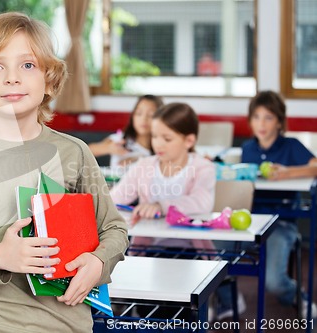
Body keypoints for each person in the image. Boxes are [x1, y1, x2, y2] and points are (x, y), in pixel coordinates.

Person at [0, 12, 128, 333]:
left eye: (28, 65)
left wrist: (99, 261)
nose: (12, 78)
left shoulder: (74, 152)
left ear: (49, 78)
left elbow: (114, 230)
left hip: (69, 325)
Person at [215, 90, 317, 320]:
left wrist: (287, 173)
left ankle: (297, 296)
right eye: (256, 117)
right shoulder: (248, 148)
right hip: (248, 220)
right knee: (210, 253)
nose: (261, 123)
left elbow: (315, 165)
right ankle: (231, 301)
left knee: (273, 281)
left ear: (280, 121)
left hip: (281, 223)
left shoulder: (291, 145)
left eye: (268, 117)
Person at [110, 102, 216, 251]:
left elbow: (202, 202)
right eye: (154, 136)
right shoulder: (143, 166)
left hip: (193, 253)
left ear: (189, 141)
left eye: (167, 139)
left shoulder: (203, 167)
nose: (158, 144)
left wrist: (161, 206)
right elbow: (114, 199)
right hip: (147, 252)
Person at [88, 94, 163, 169]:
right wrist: (109, 148)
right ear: (133, 116)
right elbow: (88, 151)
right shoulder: (120, 139)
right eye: (139, 113)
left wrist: (138, 160)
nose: (143, 119)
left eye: (151, 115)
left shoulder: (161, 147)